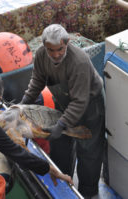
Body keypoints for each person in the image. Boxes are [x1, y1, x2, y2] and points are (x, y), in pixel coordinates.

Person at [21, 24, 106, 198]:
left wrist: (61, 124)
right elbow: (37, 82)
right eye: (50, 50)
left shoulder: (79, 61)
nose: (55, 54)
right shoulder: (42, 57)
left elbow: (80, 101)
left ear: (67, 43)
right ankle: (62, 181)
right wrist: (22, 106)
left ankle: (88, 193)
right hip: (63, 102)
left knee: (88, 153)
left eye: (60, 49)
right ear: (44, 47)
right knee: (59, 146)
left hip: (89, 105)